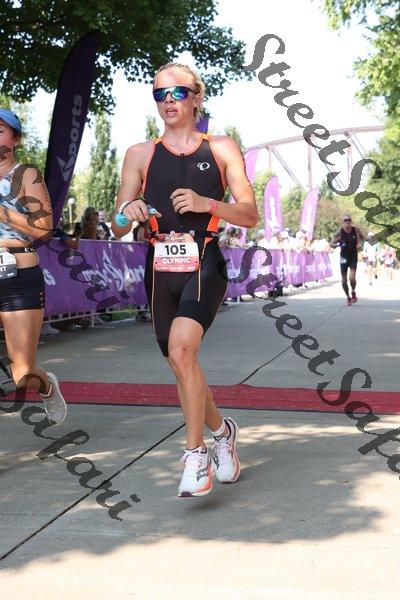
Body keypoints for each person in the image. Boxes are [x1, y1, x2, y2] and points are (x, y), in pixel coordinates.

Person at [111, 62, 258, 497]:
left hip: (204, 262)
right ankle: (223, 432)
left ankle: (196, 456)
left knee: (181, 349)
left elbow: (250, 214)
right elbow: (117, 225)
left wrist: (206, 203)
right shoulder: (139, 153)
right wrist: (129, 212)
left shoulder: (222, 147)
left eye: (177, 92)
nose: (168, 101)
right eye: (160, 94)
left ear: (196, 97)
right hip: (159, 269)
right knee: (180, 362)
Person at [0, 108, 66, 424]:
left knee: (22, 374)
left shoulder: (25, 175)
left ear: (15, 139)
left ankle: (47, 386)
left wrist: (4, 214)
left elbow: (44, 229)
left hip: (18, 273)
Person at [332, 214, 365, 305]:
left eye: (349, 220)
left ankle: (353, 291)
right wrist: (337, 244)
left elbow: (363, 238)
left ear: (351, 221)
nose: (347, 222)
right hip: (343, 257)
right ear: (343, 222)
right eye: (345, 220)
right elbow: (332, 242)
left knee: (352, 278)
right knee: (344, 279)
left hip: (353, 256)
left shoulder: (355, 230)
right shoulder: (340, 232)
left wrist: (359, 244)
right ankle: (347, 296)